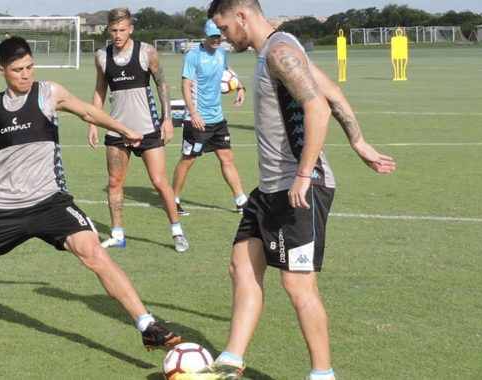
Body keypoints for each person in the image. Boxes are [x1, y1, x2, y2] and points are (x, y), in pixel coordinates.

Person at [0, 36, 182, 353]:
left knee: (94, 253)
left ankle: (147, 325)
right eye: (17, 70)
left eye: (30, 67)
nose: (26, 75)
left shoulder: (49, 93)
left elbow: (88, 113)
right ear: (2, 71)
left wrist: (123, 129)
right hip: (5, 209)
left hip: (51, 202)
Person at [178, 1, 397, 379]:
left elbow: (318, 108)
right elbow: (333, 93)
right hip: (270, 189)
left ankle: (323, 374)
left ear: (242, 16)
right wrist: (359, 143)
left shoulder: (280, 52)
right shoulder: (276, 50)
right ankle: (230, 362)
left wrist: (303, 173)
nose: (225, 38)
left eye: (225, 28)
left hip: (298, 187)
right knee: (242, 266)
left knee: (297, 285)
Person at [88, 8, 188, 253]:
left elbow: (162, 83)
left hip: (147, 130)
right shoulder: (101, 56)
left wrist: (167, 119)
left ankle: (177, 231)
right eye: (114, 30)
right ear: (108, 30)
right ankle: (117, 234)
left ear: (131, 28)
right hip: (116, 130)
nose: (118, 35)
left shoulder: (146, 52)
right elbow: (100, 90)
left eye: (122, 30)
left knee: (158, 181)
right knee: (114, 182)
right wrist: (92, 121)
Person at [171, 19, 247, 216]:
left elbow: (227, 72)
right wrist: (194, 113)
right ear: (205, 35)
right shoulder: (193, 56)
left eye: (219, 36)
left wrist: (240, 86)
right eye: (213, 36)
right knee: (188, 160)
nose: (216, 40)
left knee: (227, 157)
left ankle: (241, 200)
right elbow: (185, 86)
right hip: (197, 120)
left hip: (217, 118)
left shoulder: (221, 53)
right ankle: (173, 199)